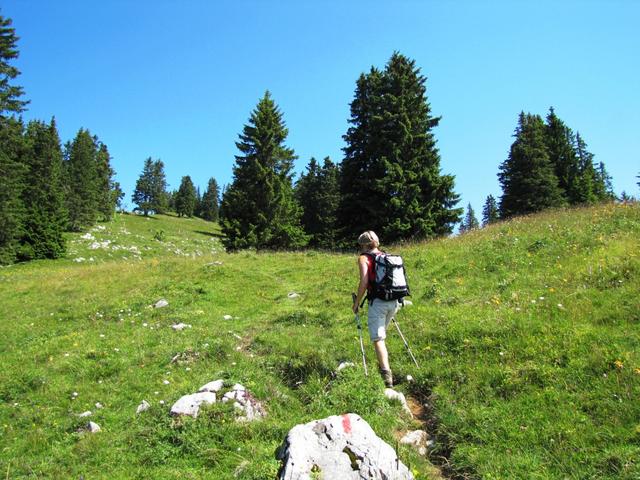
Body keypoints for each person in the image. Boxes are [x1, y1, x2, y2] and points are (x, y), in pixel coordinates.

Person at [352, 230, 400, 388]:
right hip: (394, 301)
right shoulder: (386, 256)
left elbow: (364, 281)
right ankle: (382, 363)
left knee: (378, 339)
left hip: (378, 303)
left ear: (363, 245)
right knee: (381, 337)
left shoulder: (364, 258)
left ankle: (386, 376)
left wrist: (357, 303)